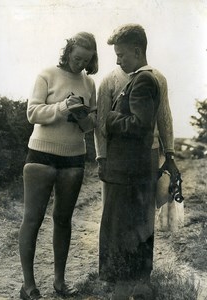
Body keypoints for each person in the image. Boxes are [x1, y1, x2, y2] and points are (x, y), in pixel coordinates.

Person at [94, 24, 179, 299]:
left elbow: (144, 124)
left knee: (124, 229)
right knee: (134, 227)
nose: (117, 60)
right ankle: (136, 287)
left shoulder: (144, 79)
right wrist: (103, 157)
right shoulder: (125, 79)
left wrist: (110, 119)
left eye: (121, 55)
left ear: (137, 50)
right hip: (131, 167)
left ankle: (127, 289)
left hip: (132, 169)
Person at [18, 32, 98, 300]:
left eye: (86, 60)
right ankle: (28, 286)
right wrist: (63, 107)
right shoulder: (47, 74)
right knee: (33, 219)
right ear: (68, 52)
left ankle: (60, 283)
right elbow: (32, 113)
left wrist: (83, 117)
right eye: (76, 58)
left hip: (74, 156)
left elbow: (90, 125)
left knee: (63, 220)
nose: (80, 65)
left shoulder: (90, 84)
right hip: (42, 153)